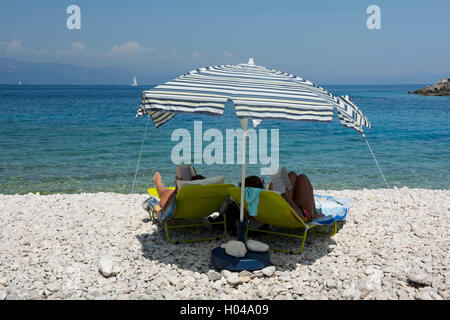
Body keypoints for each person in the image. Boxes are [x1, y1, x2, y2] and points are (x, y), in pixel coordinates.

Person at [243, 172, 323, 223]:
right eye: (262, 182)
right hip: (305, 216)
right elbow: (302, 217)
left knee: (292, 174)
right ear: (260, 186)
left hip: (282, 213)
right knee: (302, 177)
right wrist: (289, 199)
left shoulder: (250, 203)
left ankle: (286, 192)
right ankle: (315, 213)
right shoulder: (267, 197)